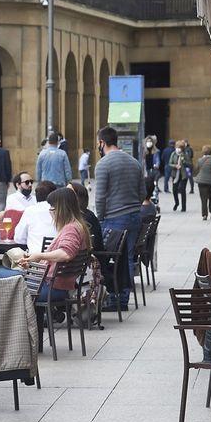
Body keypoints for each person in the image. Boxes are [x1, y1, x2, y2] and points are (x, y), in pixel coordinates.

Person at [94, 126, 145, 312]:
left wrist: (100, 219)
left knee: (111, 259)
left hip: (114, 218)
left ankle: (116, 298)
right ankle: (124, 298)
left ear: (102, 142)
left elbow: (99, 197)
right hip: (133, 216)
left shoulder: (103, 164)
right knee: (128, 258)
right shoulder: (134, 162)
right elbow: (143, 192)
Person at [12, 181, 58, 253]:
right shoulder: (61, 210)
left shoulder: (30, 211)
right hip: (58, 257)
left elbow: (19, 238)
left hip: (35, 260)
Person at [70, 182, 105, 252]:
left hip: (90, 258)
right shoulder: (77, 215)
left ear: (78, 198)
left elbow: (90, 244)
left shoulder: (87, 217)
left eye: (69, 193)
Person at [194, 145, 211, 220]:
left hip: (201, 181)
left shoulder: (200, 160)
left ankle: (204, 214)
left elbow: (196, 169)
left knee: (203, 199)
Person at [168, 140, 190, 212]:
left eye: (180, 147)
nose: (178, 149)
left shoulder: (185, 154)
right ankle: (176, 203)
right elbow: (170, 163)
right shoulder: (173, 154)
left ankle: (184, 207)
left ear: (182, 148)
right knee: (174, 190)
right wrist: (175, 166)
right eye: (177, 147)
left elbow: (189, 163)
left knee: (182, 190)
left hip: (183, 174)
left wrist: (184, 161)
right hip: (175, 174)